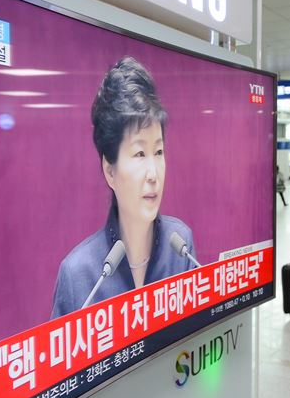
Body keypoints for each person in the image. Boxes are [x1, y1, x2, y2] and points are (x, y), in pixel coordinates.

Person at [51, 57, 196, 319]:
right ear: (110, 171)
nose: (153, 173)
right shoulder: (78, 274)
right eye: (140, 154)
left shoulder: (181, 244)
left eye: (159, 151)